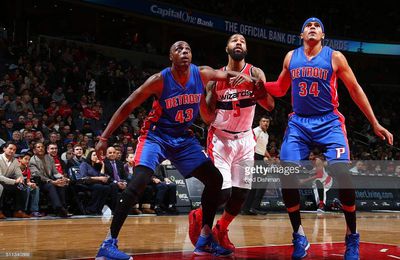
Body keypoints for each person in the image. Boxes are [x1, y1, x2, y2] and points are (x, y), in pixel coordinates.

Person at [95, 41, 256, 259]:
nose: (184, 53)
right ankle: (108, 244)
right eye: (179, 50)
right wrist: (104, 137)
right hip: (156, 136)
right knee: (139, 181)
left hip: (183, 138)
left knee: (215, 180)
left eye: (188, 49)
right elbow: (128, 106)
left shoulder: (202, 74)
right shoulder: (159, 80)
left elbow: (229, 74)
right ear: (171, 56)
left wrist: (247, 78)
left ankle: (205, 238)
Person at [261, 17, 393, 259]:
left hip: (329, 121)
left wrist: (374, 123)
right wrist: (259, 84)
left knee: (341, 172)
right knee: (287, 173)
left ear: (322, 36)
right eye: (307, 26)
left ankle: (352, 236)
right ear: (301, 35)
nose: (312, 28)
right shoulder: (291, 57)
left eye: (317, 26)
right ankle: (299, 235)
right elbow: (280, 89)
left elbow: (354, 89)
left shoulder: (335, 57)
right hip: (299, 122)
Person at [189, 34, 274, 252]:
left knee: (241, 195)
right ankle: (198, 216)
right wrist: (200, 96)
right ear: (227, 48)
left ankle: (221, 228)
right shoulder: (215, 78)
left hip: (246, 139)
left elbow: (270, 105)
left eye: (243, 41)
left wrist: (253, 85)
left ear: (246, 49)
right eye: (234, 40)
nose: (239, 42)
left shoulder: (255, 73)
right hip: (221, 138)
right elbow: (207, 118)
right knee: (223, 193)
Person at [242, 115, 271, 215]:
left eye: (267, 122)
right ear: (259, 122)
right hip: (254, 157)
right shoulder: (255, 131)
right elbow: (249, 145)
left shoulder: (266, 134)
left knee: (257, 184)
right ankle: (253, 207)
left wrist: (270, 158)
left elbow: (263, 148)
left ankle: (248, 208)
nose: (265, 123)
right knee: (259, 183)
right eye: (263, 121)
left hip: (260, 158)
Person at [299, 148, 333, 213]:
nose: (310, 157)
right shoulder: (309, 163)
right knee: (317, 193)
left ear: (315, 156)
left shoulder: (318, 161)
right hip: (316, 183)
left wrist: (304, 180)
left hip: (326, 181)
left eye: (312, 155)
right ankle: (321, 206)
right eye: (309, 155)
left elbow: (319, 175)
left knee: (320, 186)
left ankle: (322, 205)